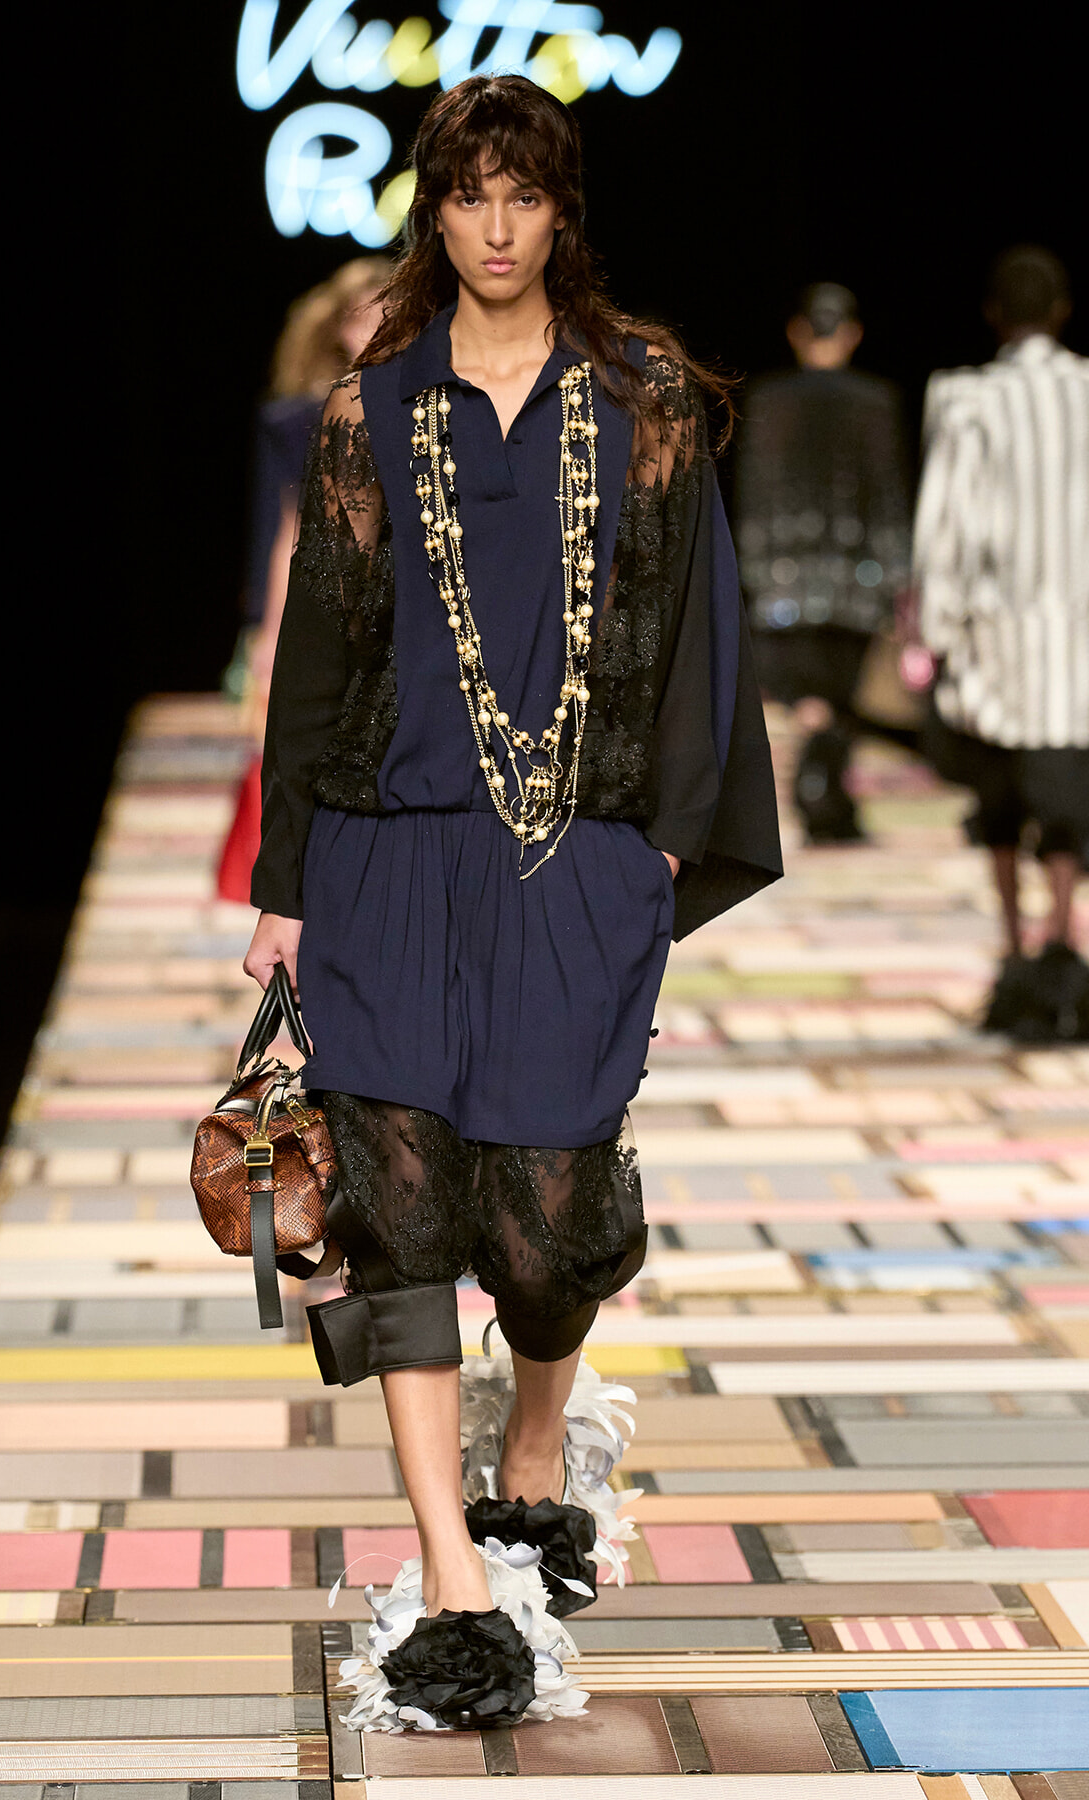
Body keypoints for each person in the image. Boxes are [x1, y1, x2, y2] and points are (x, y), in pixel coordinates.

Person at [243, 74, 782, 1731]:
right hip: (389, 849)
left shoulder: (647, 405)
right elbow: (321, 648)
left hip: (576, 852)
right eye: (466, 195)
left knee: (551, 1219)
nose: (493, 225)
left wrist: (669, 838)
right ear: (435, 211)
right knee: (398, 1212)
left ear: (559, 214)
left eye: (520, 196)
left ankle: (536, 1435)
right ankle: (454, 1582)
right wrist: (281, 883)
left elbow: (705, 618)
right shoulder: (370, 412)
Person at [914, 245, 1089, 1041]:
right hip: (1078, 647)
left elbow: (946, 522)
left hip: (997, 643)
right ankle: (1063, 944)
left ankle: (1019, 954)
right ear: (1060, 313)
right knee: (1065, 807)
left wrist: (934, 626)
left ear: (994, 315)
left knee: (1001, 806)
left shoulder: (968, 399)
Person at [217, 259, 391, 903]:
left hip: (399, 610)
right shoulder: (305, 419)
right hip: (328, 601)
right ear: (340, 327)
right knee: (302, 732)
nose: (378, 325)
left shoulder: (435, 403)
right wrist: (266, 633)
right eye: (366, 313)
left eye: (392, 312)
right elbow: (289, 530)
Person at [736, 283, 912, 841]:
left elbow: (752, 494)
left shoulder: (768, 399)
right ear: (854, 334)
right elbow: (888, 496)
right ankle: (825, 793)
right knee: (842, 696)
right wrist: (900, 579)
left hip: (782, 578)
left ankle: (821, 791)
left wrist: (750, 575)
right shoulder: (876, 401)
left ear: (797, 332)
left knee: (809, 697)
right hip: (856, 580)